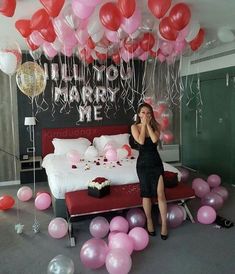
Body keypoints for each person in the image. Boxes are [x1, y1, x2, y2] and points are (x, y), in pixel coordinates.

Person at [131, 102, 168, 240]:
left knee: (160, 193)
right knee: (146, 194)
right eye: (143, 112)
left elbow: (154, 140)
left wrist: (148, 125)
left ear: (151, 115)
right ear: (139, 114)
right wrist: (144, 125)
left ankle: (164, 223)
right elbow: (141, 141)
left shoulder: (156, 126)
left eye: (148, 113)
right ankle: (150, 221)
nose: (145, 115)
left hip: (155, 162)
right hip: (143, 164)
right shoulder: (134, 127)